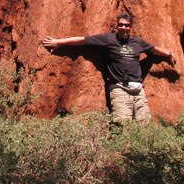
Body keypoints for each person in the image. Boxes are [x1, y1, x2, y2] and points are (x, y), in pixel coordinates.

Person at [42, 12, 175, 123]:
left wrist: (168, 54)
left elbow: (153, 49)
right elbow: (83, 40)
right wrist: (59, 41)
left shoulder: (138, 42)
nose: (124, 27)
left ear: (131, 27)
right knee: (123, 123)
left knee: (144, 123)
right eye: (121, 25)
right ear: (117, 26)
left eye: (126, 25)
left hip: (138, 89)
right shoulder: (109, 40)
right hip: (119, 89)